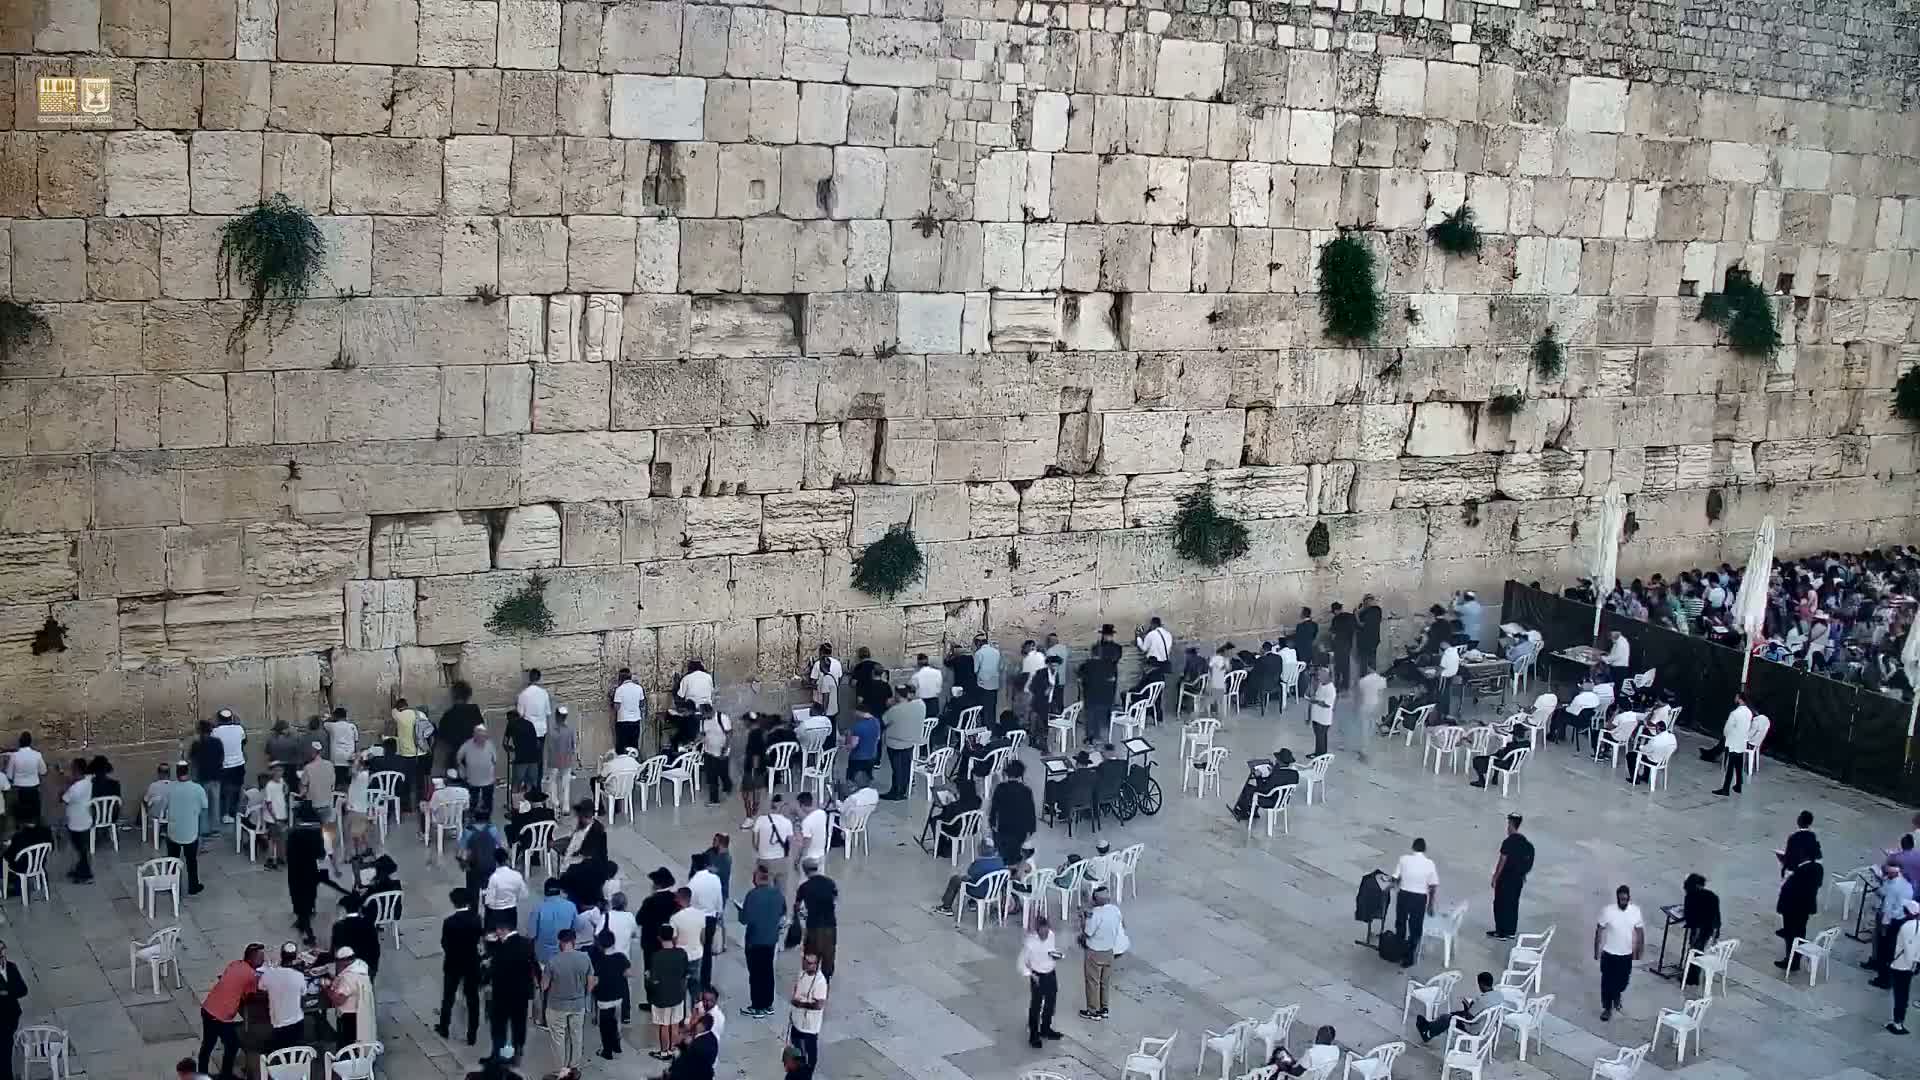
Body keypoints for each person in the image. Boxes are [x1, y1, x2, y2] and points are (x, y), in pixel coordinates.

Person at [197, 943, 263, 1080]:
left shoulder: (235, 964)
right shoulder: (251, 975)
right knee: (232, 1044)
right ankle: (226, 1075)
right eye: (260, 957)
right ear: (251, 959)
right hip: (220, 1016)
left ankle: (202, 1074)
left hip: (208, 1008)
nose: (263, 960)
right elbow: (250, 997)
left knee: (208, 1045)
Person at [485, 920, 538, 1064]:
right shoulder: (527, 943)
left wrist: (485, 972)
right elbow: (535, 966)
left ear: (502, 930)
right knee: (518, 1024)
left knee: (499, 1026)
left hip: (502, 994)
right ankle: (517, 1052)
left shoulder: (500, 948)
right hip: (521, 994)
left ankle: (498, 1055)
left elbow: (495, 970)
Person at [544, 929, 593, 1080]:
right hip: (578, 1004)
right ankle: (574, 1068)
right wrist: (584, 995)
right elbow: (591, 982)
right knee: (576, 1035)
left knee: (558, 1037)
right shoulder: (585, 958)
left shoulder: (553, 961)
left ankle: (561, 1071)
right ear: (574, 941)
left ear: (560, 942)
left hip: (557, 1006)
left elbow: (544, 985)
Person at [438, 888, 485, 1043]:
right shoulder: (476, 919)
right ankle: (472, 1034)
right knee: (473, 998)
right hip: (472, 962)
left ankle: (444, 1027)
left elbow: (444, 943)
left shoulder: (449, 922)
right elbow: (479, 937)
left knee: (448, 996)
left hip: (453, 962)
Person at [737, 865, 785, 1016]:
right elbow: (782, 911)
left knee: (756, 973)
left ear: (757, 879)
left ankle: (757, 1006)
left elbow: (745, 919)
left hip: (755, 940)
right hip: (771, 939)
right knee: (768, 971)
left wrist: (740, 911)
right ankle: (768, 1003)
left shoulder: (753, 895)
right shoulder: (777, 894)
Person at [531, 880, 580, 1022]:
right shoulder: (571, 906)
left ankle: (546, 1019)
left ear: (545, 891)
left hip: (544, 956)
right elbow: (576, 928)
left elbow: (532, 934)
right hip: (565, 953)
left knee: (546, 986)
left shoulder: (538, 908)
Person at [1594, 884, 1644, 1021]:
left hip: (1626, 954)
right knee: (1607, 982)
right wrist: (1596, 950)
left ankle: (1617, 995)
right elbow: (1599, 929)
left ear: (1629, 898)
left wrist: (1640, 950)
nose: (1623, 902)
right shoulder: (1608, 911)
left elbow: (1640, 931)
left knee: (1623, 982)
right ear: (1617, 898)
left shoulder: (1635, 911)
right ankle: (1607, 1008)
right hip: (1609, 953)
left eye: (1625, 899)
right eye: (1621, 899)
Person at [1078, 884, 1124, 1020]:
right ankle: (1104, 1008)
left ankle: (1093, 1011)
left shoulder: (1095, 915)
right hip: (1109, 951)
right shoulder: (1115, 910)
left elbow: (1087, 933)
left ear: (1095, 899)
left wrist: (1083, 920)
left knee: (1093, 982)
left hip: (1095, 953)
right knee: (1105, 982)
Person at [1415, 971, 1501, 1042]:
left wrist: (1467, 1005)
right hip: (1486, 1025)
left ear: (1481, 984)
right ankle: (1430, 1025)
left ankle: (1428, 1033)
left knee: (1446, 1018)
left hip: (1474, 1027)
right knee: (1453, 1014)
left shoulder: (1482, 1000)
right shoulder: (1498, 995)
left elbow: (1469, 1017)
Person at [1019, 913, 1065, 1047]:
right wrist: (1032, 975)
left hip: (1050, 973)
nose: (1045, 935)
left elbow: (1050, 950)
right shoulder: (1030, 943)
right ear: (1037, 931)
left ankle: (1046, 1028)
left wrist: (1055, 955)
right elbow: (1022, 963)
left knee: (1050, 1003)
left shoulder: (1051, 935)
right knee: (1036, 1005)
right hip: (1037, 975)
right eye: (1042, 933)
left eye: (1046, 931)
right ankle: (1034, 1035)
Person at [1392, 839, 1439, 969]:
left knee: (1400, 923)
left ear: (1413, 847)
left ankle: (1399, 949)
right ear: (1424, 849)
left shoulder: (1403, 859)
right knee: (1415, 928)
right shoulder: (1430, 864)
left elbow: (1395, 878)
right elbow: (1433, 886)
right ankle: (1409, 956)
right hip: (1419, 898)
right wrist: (1430, 904)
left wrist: (1396, 885)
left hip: (1404, 895)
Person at [645, 924, 689, 1060]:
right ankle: (673, 1050)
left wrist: (647, 978)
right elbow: (685, 974)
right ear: (673, 937)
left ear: (659, 938)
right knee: (675, 1024)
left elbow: (654, 979)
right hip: (677, 995)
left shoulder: (656, 957)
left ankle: (664, 1052)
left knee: (664, 1025)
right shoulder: (682, 953)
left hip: (661, 997)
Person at [165, 762, 208, 895]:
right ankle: (193, 886)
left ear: (177, 772)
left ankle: (171, 884)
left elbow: (165, 806)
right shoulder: (198, 788)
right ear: (188, 772)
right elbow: (204, 807)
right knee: (191, 861)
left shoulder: (170, 787)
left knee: (172, 859)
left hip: (173, 830)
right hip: (190, 831)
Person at [1775, 852, 1823, 969]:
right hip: (1804, 908)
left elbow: (1795, 889)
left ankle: (1792, 961)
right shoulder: (1816, 867)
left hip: (1794, 909)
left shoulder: (1803, 871)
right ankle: (1794, 957)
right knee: (1798, 931)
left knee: (1792, 935)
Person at [1489, 814, 1534, 940]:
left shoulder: (1508, 842)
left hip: (1505, 879)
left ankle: (1501, 932)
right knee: (1513, 904)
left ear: (1510, 824)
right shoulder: (1525, 843)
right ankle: (1511, 931)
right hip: (1518, 879)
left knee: (1500, 904)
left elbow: (1502, 861)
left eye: (1508, 824)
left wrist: (1495, 878)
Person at [1872, 862, 1916, 986]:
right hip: (1902, 919)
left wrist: (1884, 926)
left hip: (1891, 921)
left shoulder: (1893, 887)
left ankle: (1883, 979)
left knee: (1884, 950)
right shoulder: (1906, 884)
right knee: (1892, 950)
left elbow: (1887, 908)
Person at [794, 858, 838, 978]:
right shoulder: (830, 883)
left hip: (813, 925)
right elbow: (835, 900)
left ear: (804, 870)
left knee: (812, 953)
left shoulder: (804, 887)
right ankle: (825, 979)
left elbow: (797, 906)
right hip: (830, 924)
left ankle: (810, 979)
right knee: (829, 954)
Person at [788, 950, 829, 1075]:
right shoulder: (802, 973)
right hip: (797, 1019)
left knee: (810, 1049)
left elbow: (819, 1005)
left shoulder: (820, 982)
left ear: (816, 964)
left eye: (810, 963)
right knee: (795, 1043)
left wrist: (801, 1004)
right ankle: (798, 1065)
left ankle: (808, 1071)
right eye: (805, 962)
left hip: (810, 1024)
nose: (806, 965)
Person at [260, 944, 306, 1052]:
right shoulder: (299, 976)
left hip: (278, 1022)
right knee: (294, 1053)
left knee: (280, 1053)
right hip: (297, 1022)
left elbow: (261, 987)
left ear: (281, 955)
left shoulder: (268, 974)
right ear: (295, 957)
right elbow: (304, 992)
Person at [590, 929, 629, 1058]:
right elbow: (628, 973)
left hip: (604, 997)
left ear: (600, 944)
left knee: (605, 1024)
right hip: (618, 995)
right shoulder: (620, 957)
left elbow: (594, 981)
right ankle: (616, 1045)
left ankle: (607, 1051)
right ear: (614, 942)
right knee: (614, 1020)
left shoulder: (597, 961)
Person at [880, 688, 925, 802]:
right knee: (905, 766)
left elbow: (884, 721)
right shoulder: (920, 706)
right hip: (911, 741)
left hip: (895, 742)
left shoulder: (895, 710)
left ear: (898, 696)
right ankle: (904, 789)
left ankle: (896, 792)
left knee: (897, 769)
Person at [1228, 750, 1298, 821]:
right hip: (1283, 801)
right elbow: (1281, 779)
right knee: (1251, 789)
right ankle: (1253, 811)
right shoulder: (1295, 774)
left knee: (1247, 789)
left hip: (1271, 801)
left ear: (1279, 761)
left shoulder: (1277, 775)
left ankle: (1244, 813)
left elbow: (1263, 790)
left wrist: (1259, 777)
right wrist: (1273, 772)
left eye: (1277, 759)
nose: (1276, 760)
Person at [989, 758, 1036, 862]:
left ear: (1007, 774)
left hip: (1004, 830)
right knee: (1015, 854)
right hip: (1020, 832)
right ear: (1020, 775)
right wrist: (1031, 830)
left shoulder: (1000, 788)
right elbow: (1030, 813)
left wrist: (992, 826)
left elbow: (993, 810)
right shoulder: (1026, 791)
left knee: (1003, 856)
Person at [328, 945, 376, 1045]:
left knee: (347, 1043)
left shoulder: (348, 978)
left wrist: (326, 988)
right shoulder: (362, 965)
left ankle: (347, 1059)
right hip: (361, 1010)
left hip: (349, 1016)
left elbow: (338, 1000)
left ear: (344, 961)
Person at [1680, 873, 1721, 987]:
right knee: (1700, 951)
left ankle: (1690, 978)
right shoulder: (1712, 896)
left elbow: (1689, 917)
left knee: (1694, 952)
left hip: (1698, 929)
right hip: (1709, 930)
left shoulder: (1690, 897)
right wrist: (1716, 932)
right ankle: (1693, 976)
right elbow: (1717, 916)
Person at [1710, 692, 1752, 796]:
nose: (1735, 698)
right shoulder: (1749, 713)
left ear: (1740, 699)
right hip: (1742, 741)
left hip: (1733, 742)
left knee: (1730, 766)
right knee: (1738, 765)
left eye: (1736, 697)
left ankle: (1726, 789)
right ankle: (1738, 785)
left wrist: (1726, 735)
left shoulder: (1735, 713)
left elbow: (1727, 728)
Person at [1888, 899, 1920, 1034]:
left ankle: (1897, 1023)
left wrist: (1910, 966)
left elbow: (1909, 949)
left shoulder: (1907, 927)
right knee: (1903, 994)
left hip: (1902, 966)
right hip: (1911, 966)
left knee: (1900, 994)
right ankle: (1899, 1020)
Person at [210, 709, 246, 823]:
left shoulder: (215, 731)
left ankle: (224, 814)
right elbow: (244, 741)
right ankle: (233, 813)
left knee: (224, 790)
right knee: (236, 788)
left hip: (224, 766)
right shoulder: (239, 728)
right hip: (239, 763)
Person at [60, 758, 93, 884]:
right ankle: (80, 868)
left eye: (72, 768)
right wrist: (63, 774)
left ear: (76, 770)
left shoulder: (74, 789)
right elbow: (74, 780)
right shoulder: (88, 781)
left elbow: (63, 799)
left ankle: (85, 874)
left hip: (76, 822)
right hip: (85, 818)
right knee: (82, 848)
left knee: (80, 849)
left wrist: (63, 788)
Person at [483, 847, 529, 930]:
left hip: (497, 913)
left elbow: (489, 901)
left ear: (495, 862)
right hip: (512, 912)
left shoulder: (494, 878)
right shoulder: (517, 875)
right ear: (507, 860)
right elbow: (524, 894)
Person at [458, 725, 500, 816]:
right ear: (474, 736)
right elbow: (458, 759)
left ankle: (487, 816)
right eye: (479, 736)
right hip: (472, 780)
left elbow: (495, 760)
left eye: (483, 736)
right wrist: (462, 771)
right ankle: (472, 816)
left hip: (488, 780)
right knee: (472, 800)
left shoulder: (490, 745)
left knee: (487, 800)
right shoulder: (467, 745)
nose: (482, 738)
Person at [4, 734, 45, 822]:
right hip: (33, 789)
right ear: (30, 742)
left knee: (21, 817)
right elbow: (43, 771)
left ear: (20, 742)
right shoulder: (37, 755)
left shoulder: (14, 756)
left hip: (20, 791)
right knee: (34, 815)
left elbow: (9, 775)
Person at [1271, 1026, 1341, 1077]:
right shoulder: (1336, 1051)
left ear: (1319, 1037)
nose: (1316, 1037)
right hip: (1317, 1075)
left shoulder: (1311, 1053)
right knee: (1285, 1055)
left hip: (1301, 1076)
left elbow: (1297, 1073)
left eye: (1318, 1035)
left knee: (1279, 1054)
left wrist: (1282, 1065)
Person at [545, 706, 578, 809]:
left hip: (554, 760)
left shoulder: (551, 731)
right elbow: (574, 746)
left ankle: (555, 803)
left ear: (556, 716)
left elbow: (549, 747)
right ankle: (566, 806)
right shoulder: (570, 730)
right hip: (566, 759)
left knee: (553, 782)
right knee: (565, 784)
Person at [504, 709, 542, 797]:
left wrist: (510, 750)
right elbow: (537, 743)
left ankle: (515, 806)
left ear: (511, 718)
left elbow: (505, 742)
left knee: (516, 784)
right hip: (533, 758)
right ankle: (530, 806)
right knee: (530, 784)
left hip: (521, 759)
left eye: (508, 719)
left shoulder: (511, 724)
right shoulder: (530, 724)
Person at [0, 940, 23, 1080]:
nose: (1, 953)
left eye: (2, 949)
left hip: (10, 1017)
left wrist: (7, 992)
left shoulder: (11, 967)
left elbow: (22, 989)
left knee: (5, 1052)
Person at [842, 706, 882, 788]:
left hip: (858, 758)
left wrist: (845, 746)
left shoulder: (858, 726)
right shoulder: (876, 722)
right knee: (866, 779)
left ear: (859, 712)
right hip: (872, 756)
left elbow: (853, 745)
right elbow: (878, 737)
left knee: (852, 781)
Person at [610, 669, 646, 754]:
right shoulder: (639, 688)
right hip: (636, 721)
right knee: (634, 745)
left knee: (622, 746)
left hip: (623, 721)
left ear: (620, 679)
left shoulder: (619, 690)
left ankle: (623, 765)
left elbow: (616, 707)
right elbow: (642, 703)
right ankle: (634, 764)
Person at [1779, 810, 1823, 875]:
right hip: (1808, 868)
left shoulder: (1793, 837)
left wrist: (1783, 869)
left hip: (1796, 868)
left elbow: (1788, 856)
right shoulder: (1812, 836)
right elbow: (1816, 855)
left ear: (1799, 821)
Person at [323, 708, 357, 785]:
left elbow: (324, 723)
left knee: (337, 781)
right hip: (349, 757)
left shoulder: (332, 726)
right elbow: (355, 742)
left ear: (335, 716)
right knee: (348, 782)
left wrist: (330, 718)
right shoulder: (352, 726)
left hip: (336, 757)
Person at [1328, 602, 1358, 690]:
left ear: (1336, 610)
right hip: (1348, 644)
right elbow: (1355, 629)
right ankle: (1346, 685)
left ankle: (1337, 684)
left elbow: (1333, 634)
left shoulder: (1336, 619)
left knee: (1338, 666)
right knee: (1346, 665)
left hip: (1338, 645)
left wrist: (1332, 645)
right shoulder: (1351, 617)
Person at [1307, 667, 1335, 756]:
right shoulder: (1321, 685)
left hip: (1323, 719)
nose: (1318, 677)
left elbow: (1327, 704)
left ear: (1326, 676)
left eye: (1320, 675)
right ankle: (1319, 753)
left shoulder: (1330, 688)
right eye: (1318, 675)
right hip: (1316, 717)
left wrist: (1315, 701)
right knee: (1319, 737)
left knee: (1321, 737)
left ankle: (1320, 755)